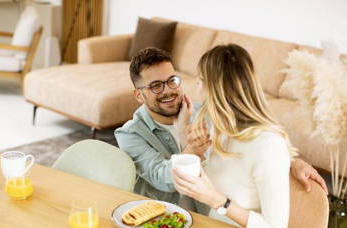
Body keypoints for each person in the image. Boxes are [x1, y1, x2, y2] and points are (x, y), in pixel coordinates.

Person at [115, 47, 327, 214]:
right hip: (164, 218)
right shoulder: (130, 134)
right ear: (139, 95)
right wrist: (192, 149)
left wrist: (291, 161)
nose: (168, 90)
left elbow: (249, 138)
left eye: (172, 80)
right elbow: (162, 178)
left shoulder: (203, 112)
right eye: (156, 86)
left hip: (211, 216)